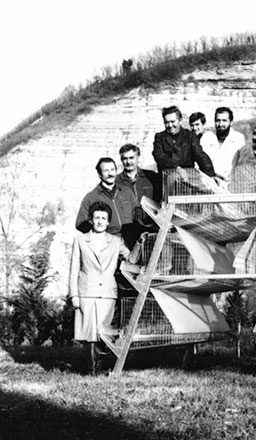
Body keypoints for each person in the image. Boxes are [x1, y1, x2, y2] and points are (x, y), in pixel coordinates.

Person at [69, 201, 142, 373]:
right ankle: (92, 369)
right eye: (97, 218)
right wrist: (74, 295)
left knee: (103, 331)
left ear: (108, 222)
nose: (100, 221)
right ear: (91, 220)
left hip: (108, 293)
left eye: (103, 218)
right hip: (86, 292)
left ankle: (99, 365)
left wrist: (139, 242)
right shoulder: (80, 240)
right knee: (89, 333)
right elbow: (73, 270)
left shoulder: (116, 241)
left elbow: (131, 259)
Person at [76, 157, 140, 247]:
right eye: (106, 171)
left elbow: (137, 213)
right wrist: (100, 237)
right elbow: (80, 223)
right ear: (99, 174)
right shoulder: (91, 197)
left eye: (112, 170)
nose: (110, 174)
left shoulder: (126, 191)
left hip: (130, 242)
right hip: (108, 245)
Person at [152, 105, 216, 178]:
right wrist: (176, 167)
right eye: (166, 122)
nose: (169, 125)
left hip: (187, 180)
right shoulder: (159, 137)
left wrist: (210, 175)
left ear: (180, 120)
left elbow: (200, 155)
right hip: (166, 180)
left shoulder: (190, 136)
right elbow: (159, 155)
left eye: (172, 121)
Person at [200, 107, 246, 183]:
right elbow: (199, 162)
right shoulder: (206, 137)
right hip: (208, 181)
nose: (220, 124)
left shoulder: (238, 138)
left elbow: (242, 164)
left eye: (224, 120)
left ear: (231, 122)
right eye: (218, 120)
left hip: (230, 183)